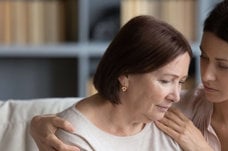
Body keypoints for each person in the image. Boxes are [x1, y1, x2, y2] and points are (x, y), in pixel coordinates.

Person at [30, 0, 228, 151]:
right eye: (204, 58)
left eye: (224, 65)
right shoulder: (181, 109)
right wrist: (39, 123)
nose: (207, 76)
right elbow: (112, 108)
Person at [30, 15, 193, 151]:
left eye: (181, 82)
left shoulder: (173, 124)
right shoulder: (74, 135)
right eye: (165, 81)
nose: (176, 96)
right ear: (125, 75)